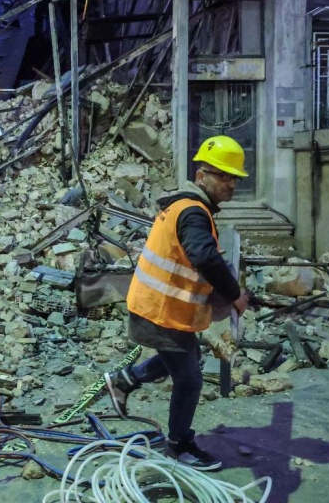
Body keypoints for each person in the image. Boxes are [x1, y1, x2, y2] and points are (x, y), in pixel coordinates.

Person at [104, 135, 250, 471]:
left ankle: (125, 380)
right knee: (190, 378)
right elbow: (204, 257)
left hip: (159, 306)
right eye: (223, 176)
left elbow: (197, 257)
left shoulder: (187, 207)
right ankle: (178, 444)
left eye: (234, 178)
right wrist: (234, 295)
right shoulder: (194, 212)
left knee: (188, 358)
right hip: (160, 309)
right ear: (201, 176)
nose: (231, 184)